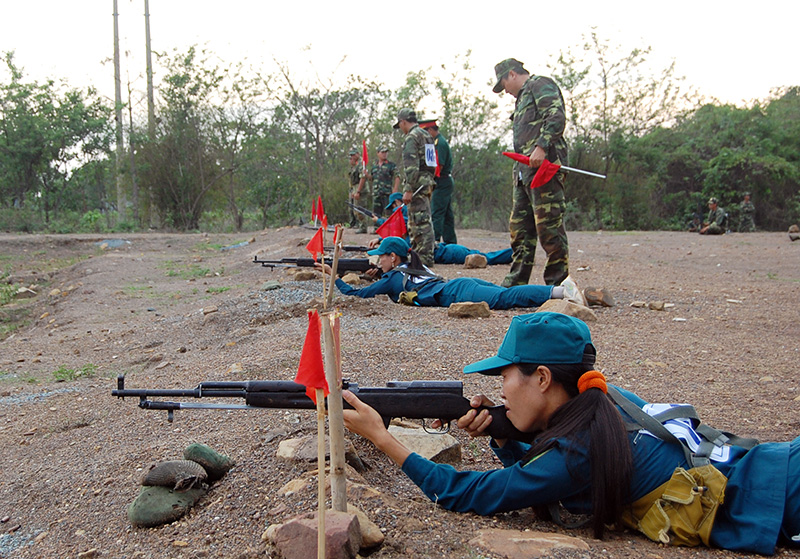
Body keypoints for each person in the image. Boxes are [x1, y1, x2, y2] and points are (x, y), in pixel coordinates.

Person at [341, 312, 800, 554]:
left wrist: (383, 437)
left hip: (782, 492)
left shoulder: (578, 452)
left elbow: (466, 492)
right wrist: (504, 436)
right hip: (774, 464)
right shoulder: (604, 398)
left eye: (505, 376)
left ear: (542, 379)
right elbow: (541, 468)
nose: (498, 389)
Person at [316, 236, 585, 309]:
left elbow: (357, 294)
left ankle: (561, 291)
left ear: (393, 257)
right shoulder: (409, 267)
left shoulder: (394, 276)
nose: (378, 262)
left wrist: (334, 277)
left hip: (455, 291)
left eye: (381, 258)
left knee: (505, 299)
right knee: (505, 295)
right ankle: (560, 291)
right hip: (458, 286)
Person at [492, 58, 569, 287]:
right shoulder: (521, 98)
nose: (504, 91)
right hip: (523, 173)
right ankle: (516, 282)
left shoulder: (539, 84)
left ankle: (558, 285)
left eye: (503, 84)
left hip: (545, 169)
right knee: (519, 229)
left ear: (512, 74)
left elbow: (556, 115)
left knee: (549, 228)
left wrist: (542, 146)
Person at [394, 108, 436, 267]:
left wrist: (408, 188)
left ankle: (422, 259)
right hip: (427, 182)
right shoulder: (427, 135)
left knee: (418, 222)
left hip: (417, 184)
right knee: (425, 219)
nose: (401, 129)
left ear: (403, 122)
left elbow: (411, 167)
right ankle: (426, 256)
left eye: (400, 125)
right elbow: (432, 163)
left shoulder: (412, 137)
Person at [419, 119, 457, 245]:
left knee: (437, 212)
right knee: (446, 214)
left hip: (442, 181)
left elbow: (438, 166)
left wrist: (429, 180)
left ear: (430, 130)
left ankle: (434, 241)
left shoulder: (439, 143)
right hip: (442, 181)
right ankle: (450, 241)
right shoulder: (435, 143)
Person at [366, 146, 400, 220]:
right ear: (378, 153)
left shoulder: (391, 165)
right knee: (376, 212)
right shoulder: (374, 166)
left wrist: (395, 189)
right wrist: (367, 175)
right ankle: (377, 228)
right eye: (382, 152)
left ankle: (390, 229)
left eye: (386, 152)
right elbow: (372, 178)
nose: (384, 154)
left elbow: (397, 176)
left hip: (387, 192)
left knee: (389, 212)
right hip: (376, 193)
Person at [347, 149, 368, 233]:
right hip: (355, 187)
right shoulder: (354, 166)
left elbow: (362, 178)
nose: (352, 157)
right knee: (355, 208)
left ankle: (363, 227)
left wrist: (358, 191)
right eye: (351, 155)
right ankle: (358, 224)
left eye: (353, 155)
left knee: (360, 208)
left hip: (361, 189)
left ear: (358, 154)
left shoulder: (361, 165)